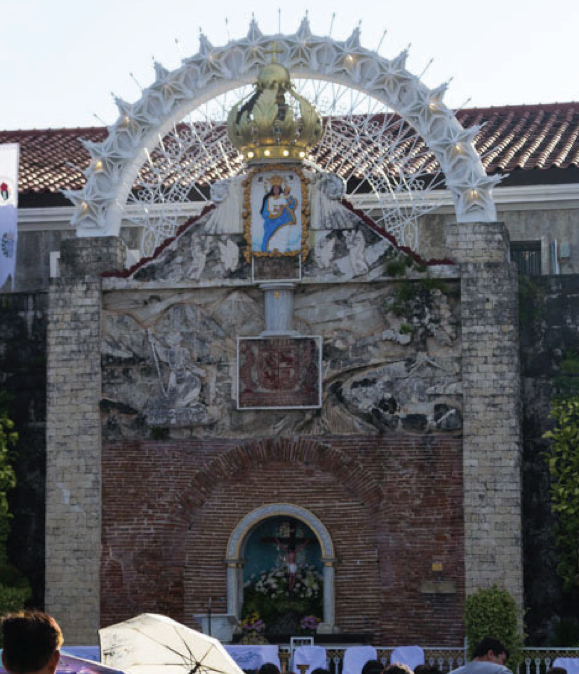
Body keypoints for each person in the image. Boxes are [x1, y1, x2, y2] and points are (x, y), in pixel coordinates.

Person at [260, 178, 297, 252]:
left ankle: (282, 249)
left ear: (280, 189)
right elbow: (265, 211)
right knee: (272, 235)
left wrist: (291, 202)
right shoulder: (269, 199)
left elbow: (291, 205)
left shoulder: (283, 197)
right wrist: (274, 211)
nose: (276, 190)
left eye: (277, 189)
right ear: (272, 190)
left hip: (284, 219)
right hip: (272, 220)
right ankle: (270, 249)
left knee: (283, 234)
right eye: (274, 189)